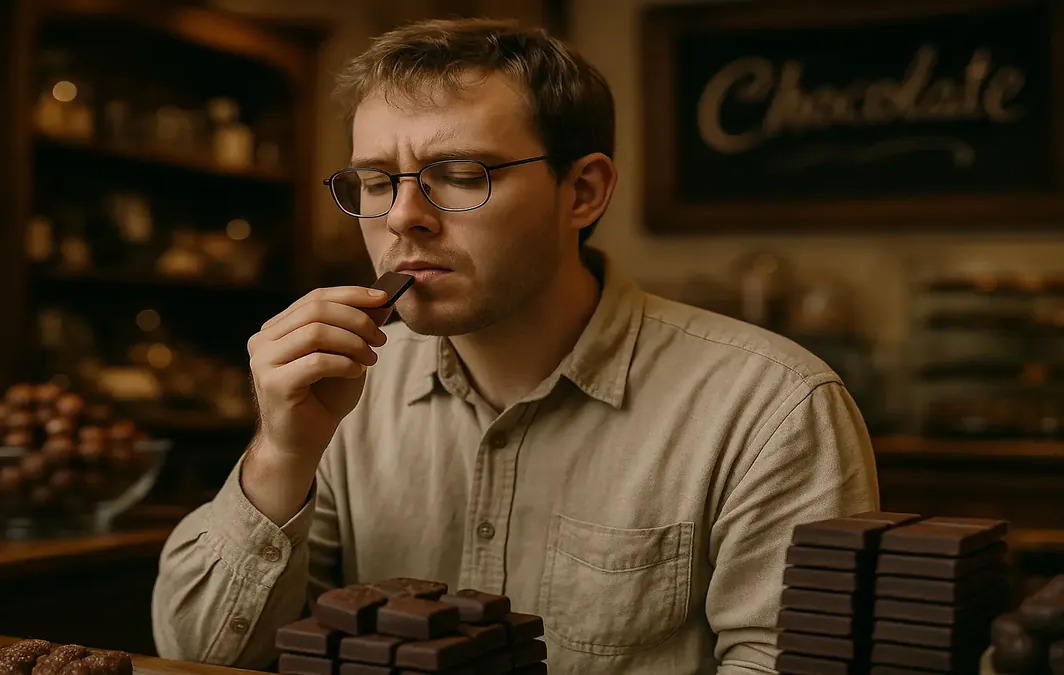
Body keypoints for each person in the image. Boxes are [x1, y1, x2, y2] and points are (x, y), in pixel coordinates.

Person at [151, 17, 878, 674]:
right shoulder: (344, 390)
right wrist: (281, 454)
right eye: (375, 181)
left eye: (459, 175)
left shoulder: (772, 408)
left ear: (583, 192)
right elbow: (198, 658)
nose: (402, 217)